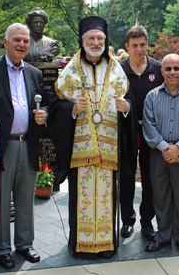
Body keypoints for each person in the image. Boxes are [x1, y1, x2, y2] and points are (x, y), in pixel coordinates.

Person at [48, 16, 136, 259]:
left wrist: (126, 107)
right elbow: (56, 108)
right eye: (91, 38)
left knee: (108, 197)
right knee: (82, 199)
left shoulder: (117, 69)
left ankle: (107, 245)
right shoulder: (70, 71)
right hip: (81, 147)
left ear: (105, 41)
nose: (96, 42)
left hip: (109, 146)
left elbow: (132, 104)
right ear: (82, 41)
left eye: (100, 38)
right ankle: (81, 245)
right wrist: (72, 110)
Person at [0, 23, 47, 268]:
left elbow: (44, 104)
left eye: (25, 41)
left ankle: (25, 244)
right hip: (2, 146)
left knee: (25, 198)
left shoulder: (34, 73)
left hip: (28, 143)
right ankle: (1, 249)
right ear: (5, 42)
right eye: (17, 40)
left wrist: (44, 115)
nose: (21, 45)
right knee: (0, 198)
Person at [142, 54, 179, 256]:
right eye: (168, 69)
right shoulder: (152, 96)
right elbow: (149, 127)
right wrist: (165, 149)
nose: (172, 72)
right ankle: (163, 236)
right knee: (161, 196)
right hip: (158, 155)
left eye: (176, 68)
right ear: (162, 72)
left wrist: (178, 147)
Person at [119, 25, 163, 240]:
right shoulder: (118, 70)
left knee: (150, 177)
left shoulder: (158, 69)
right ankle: (127, 220)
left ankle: (147, 222)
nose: (139, 49)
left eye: (142, 44)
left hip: (151, 132)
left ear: (147, 44)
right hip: (127, 130)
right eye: (134, 45)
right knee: (126, 175)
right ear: (127, 46)